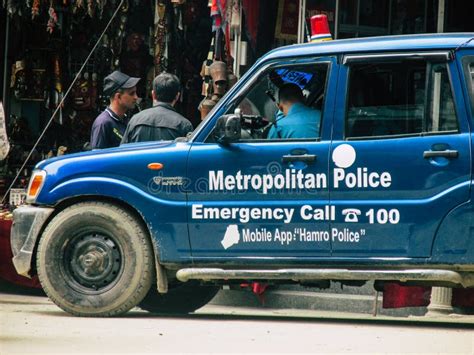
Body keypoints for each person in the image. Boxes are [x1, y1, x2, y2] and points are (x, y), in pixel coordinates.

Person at [121, 73, 193, 143]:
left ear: (153, 94)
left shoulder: (135, 120)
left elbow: (122, 151)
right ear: (177, 96)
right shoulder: (184, 125)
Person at [90, 71, 140, 149]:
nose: (136, 97)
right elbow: (98, 158)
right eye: (131, 93)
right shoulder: (103, 124)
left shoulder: (125, 119)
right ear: (118, 97)